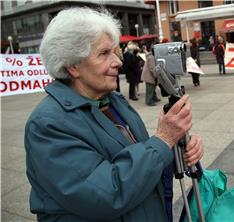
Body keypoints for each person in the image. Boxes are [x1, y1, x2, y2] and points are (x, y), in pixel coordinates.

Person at [25, 7, 204, 222]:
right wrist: (163, 140)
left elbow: (135, 162)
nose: (118, 62)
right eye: (104, 53)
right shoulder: (47, 125)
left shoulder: (113, 102)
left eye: (115, 51)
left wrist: (175, 151)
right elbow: (105, 194)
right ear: (72, 66)